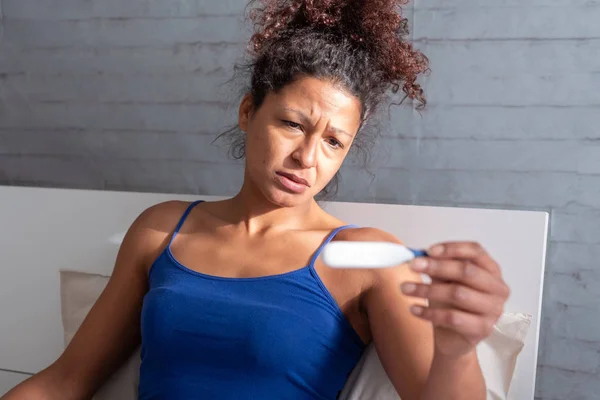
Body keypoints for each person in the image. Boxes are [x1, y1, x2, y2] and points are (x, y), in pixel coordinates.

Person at [2, 0, 510, 399]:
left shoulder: (367, 258)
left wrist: (457, 350)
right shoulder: (160, 231)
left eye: (334, 141)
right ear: (249, 112)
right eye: (292, 124)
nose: (307, 157)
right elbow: (64, 383)